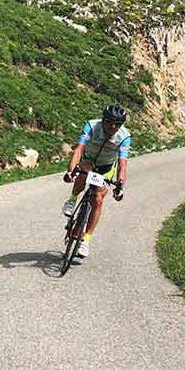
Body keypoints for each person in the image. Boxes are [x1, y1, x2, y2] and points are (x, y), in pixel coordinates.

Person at [61, 104, 130, 258]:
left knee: (98, 199)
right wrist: (71, 171)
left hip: (106, 166)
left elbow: (122, 163)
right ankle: (72, 200)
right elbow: (79, 148)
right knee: (84, 171)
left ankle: (85, 239)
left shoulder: (124, 137)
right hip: (89, 159)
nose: (113, 127)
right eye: (109, 122)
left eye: (117, 124)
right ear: (103, 120)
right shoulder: (92, 126)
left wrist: (120, 186)